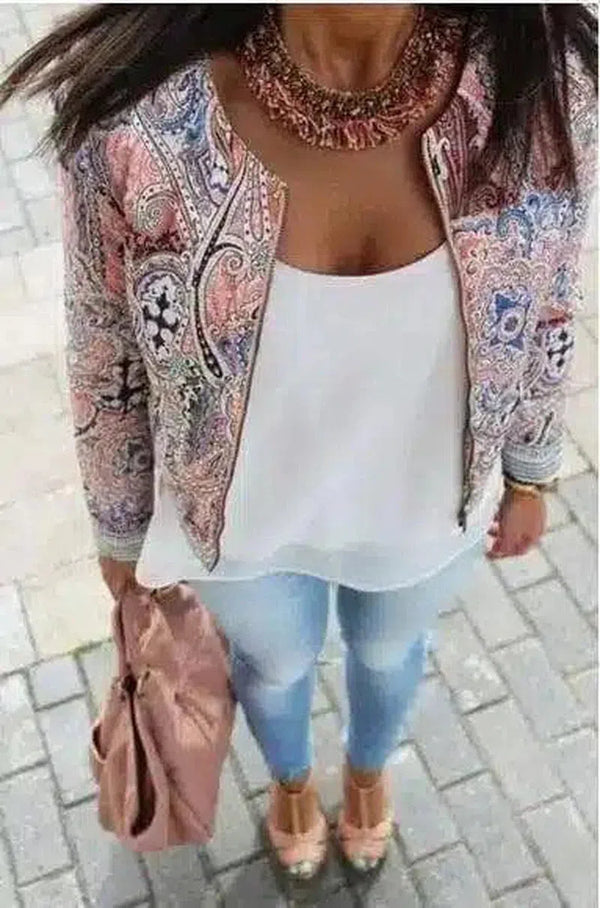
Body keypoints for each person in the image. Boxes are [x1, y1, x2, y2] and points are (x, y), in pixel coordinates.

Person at [2, 3, 596, 881]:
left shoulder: (544, 81)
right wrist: (119, 529)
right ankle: (288, 780)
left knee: (390, 650)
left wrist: (533, 469)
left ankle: (367, 771)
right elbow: (105, 348)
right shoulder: (136, 120)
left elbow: (551, 299)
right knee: (273, 665)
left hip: (427, 509)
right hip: (239, 529)